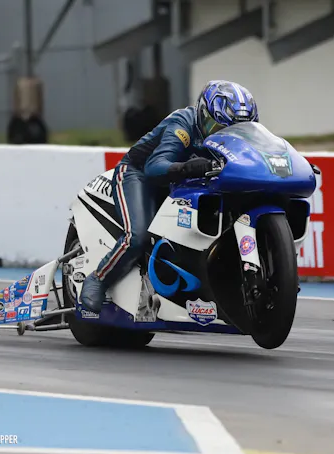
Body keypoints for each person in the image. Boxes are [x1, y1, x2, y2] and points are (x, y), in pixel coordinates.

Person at [80, 80, 259, 312]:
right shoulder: (183, 126)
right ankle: (98, 279)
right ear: (204, 115)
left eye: (237, 131)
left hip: (186, 180)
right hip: (138, 173)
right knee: (138, 236)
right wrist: (187, 167)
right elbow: (154, 166)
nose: (226, 136)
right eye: (219, 128)